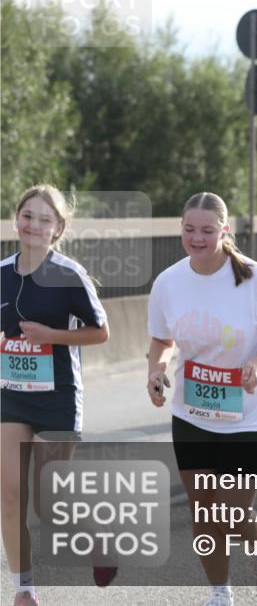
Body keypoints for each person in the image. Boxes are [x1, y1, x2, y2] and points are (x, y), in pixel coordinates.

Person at [146, 192, 257, 606]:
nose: (197, 237)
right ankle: (219, 592)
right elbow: (161, 338)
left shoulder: (254, 278)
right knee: (204, 510)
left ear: (224, 231)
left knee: (230, 512)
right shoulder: (169, 282)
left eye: (207, 230)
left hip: (248, 415)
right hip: (192, 411)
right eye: (189, 229)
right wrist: (155, 370)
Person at [2, 186, 110, 606]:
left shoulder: (69, 275)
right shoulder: (0, 272)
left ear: (58, 228)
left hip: (58, 397)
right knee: (9, 494)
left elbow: (101, 332)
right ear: (16, 220)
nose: (34, 225)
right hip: (10, 395)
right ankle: (24, 590)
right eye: (27, 216)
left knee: (50, 503)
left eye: (44, 220)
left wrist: (52, 336)